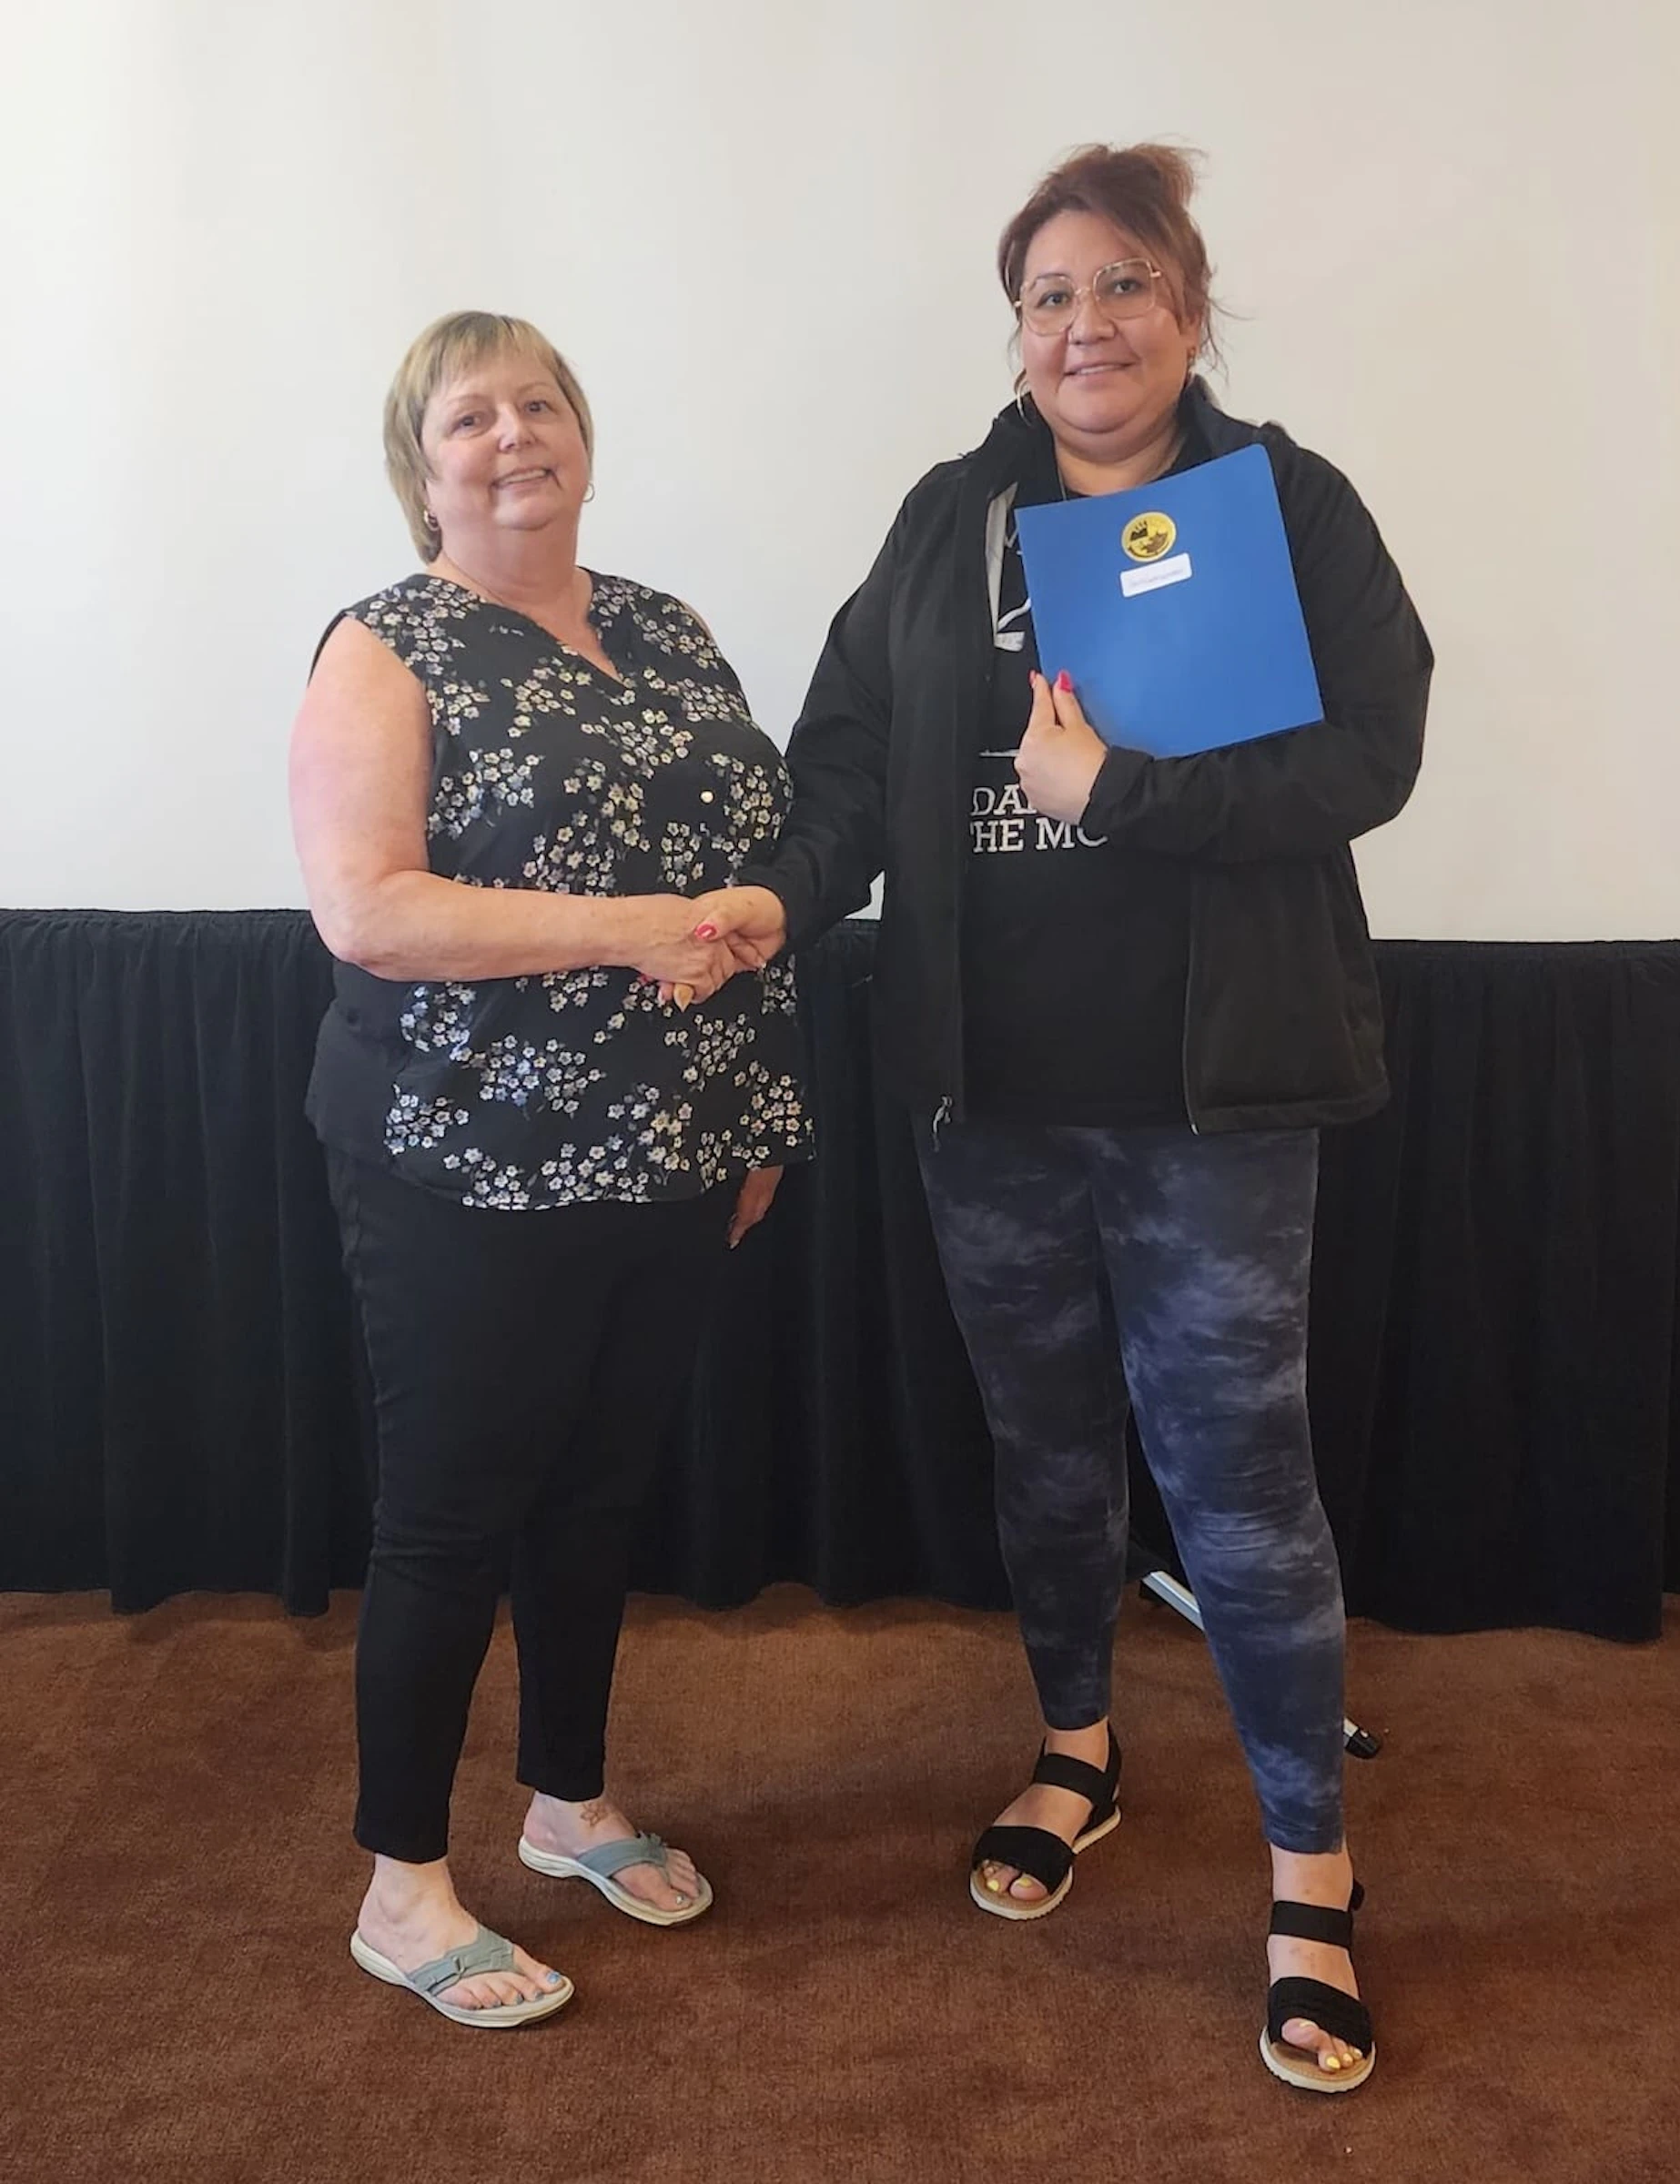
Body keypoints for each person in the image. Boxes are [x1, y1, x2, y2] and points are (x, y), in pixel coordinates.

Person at [698, 144, 1432, 2092]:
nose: (1085, 325)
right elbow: (848, 757)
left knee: (1243, 1487)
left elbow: (1375, 754)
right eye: (1048, 295)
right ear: (1014, 332)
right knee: (1042, 1458)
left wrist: (1130, 799)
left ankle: (1311, 1876)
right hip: (989, 1097)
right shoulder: (953, 522)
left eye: (1122, 285)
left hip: (1215, 1101)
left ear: (1187, 307)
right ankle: (1078, 1749)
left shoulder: (1283, 507)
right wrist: (778, 896)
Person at [289, 309, 809, 2027]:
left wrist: (759, 1113)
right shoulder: (387, 643)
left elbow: (746, 882)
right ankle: (402, 1888)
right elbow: (368, 907)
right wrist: (625, 928)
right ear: (420, 466)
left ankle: (569, 1801)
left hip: (669, 1151)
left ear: (582, 433)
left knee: (596, 1495)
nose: (513, 434)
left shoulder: (667, 627)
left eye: (540, 402)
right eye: (470, 417)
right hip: (461, 1160)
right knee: (450, 1520)